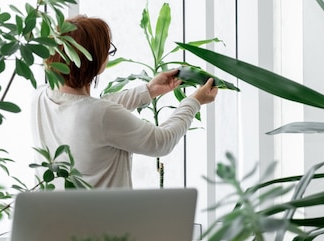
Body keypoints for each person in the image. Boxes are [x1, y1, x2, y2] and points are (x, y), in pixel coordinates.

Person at [31, 15, 218, 188]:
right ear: (94, 60)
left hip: (58, 219)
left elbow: (89, 107)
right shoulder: (98, 115)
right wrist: (194, 101)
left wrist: (148, 91)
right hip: (109, 222)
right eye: (107, 50)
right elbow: (161, 142)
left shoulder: (41, 97)